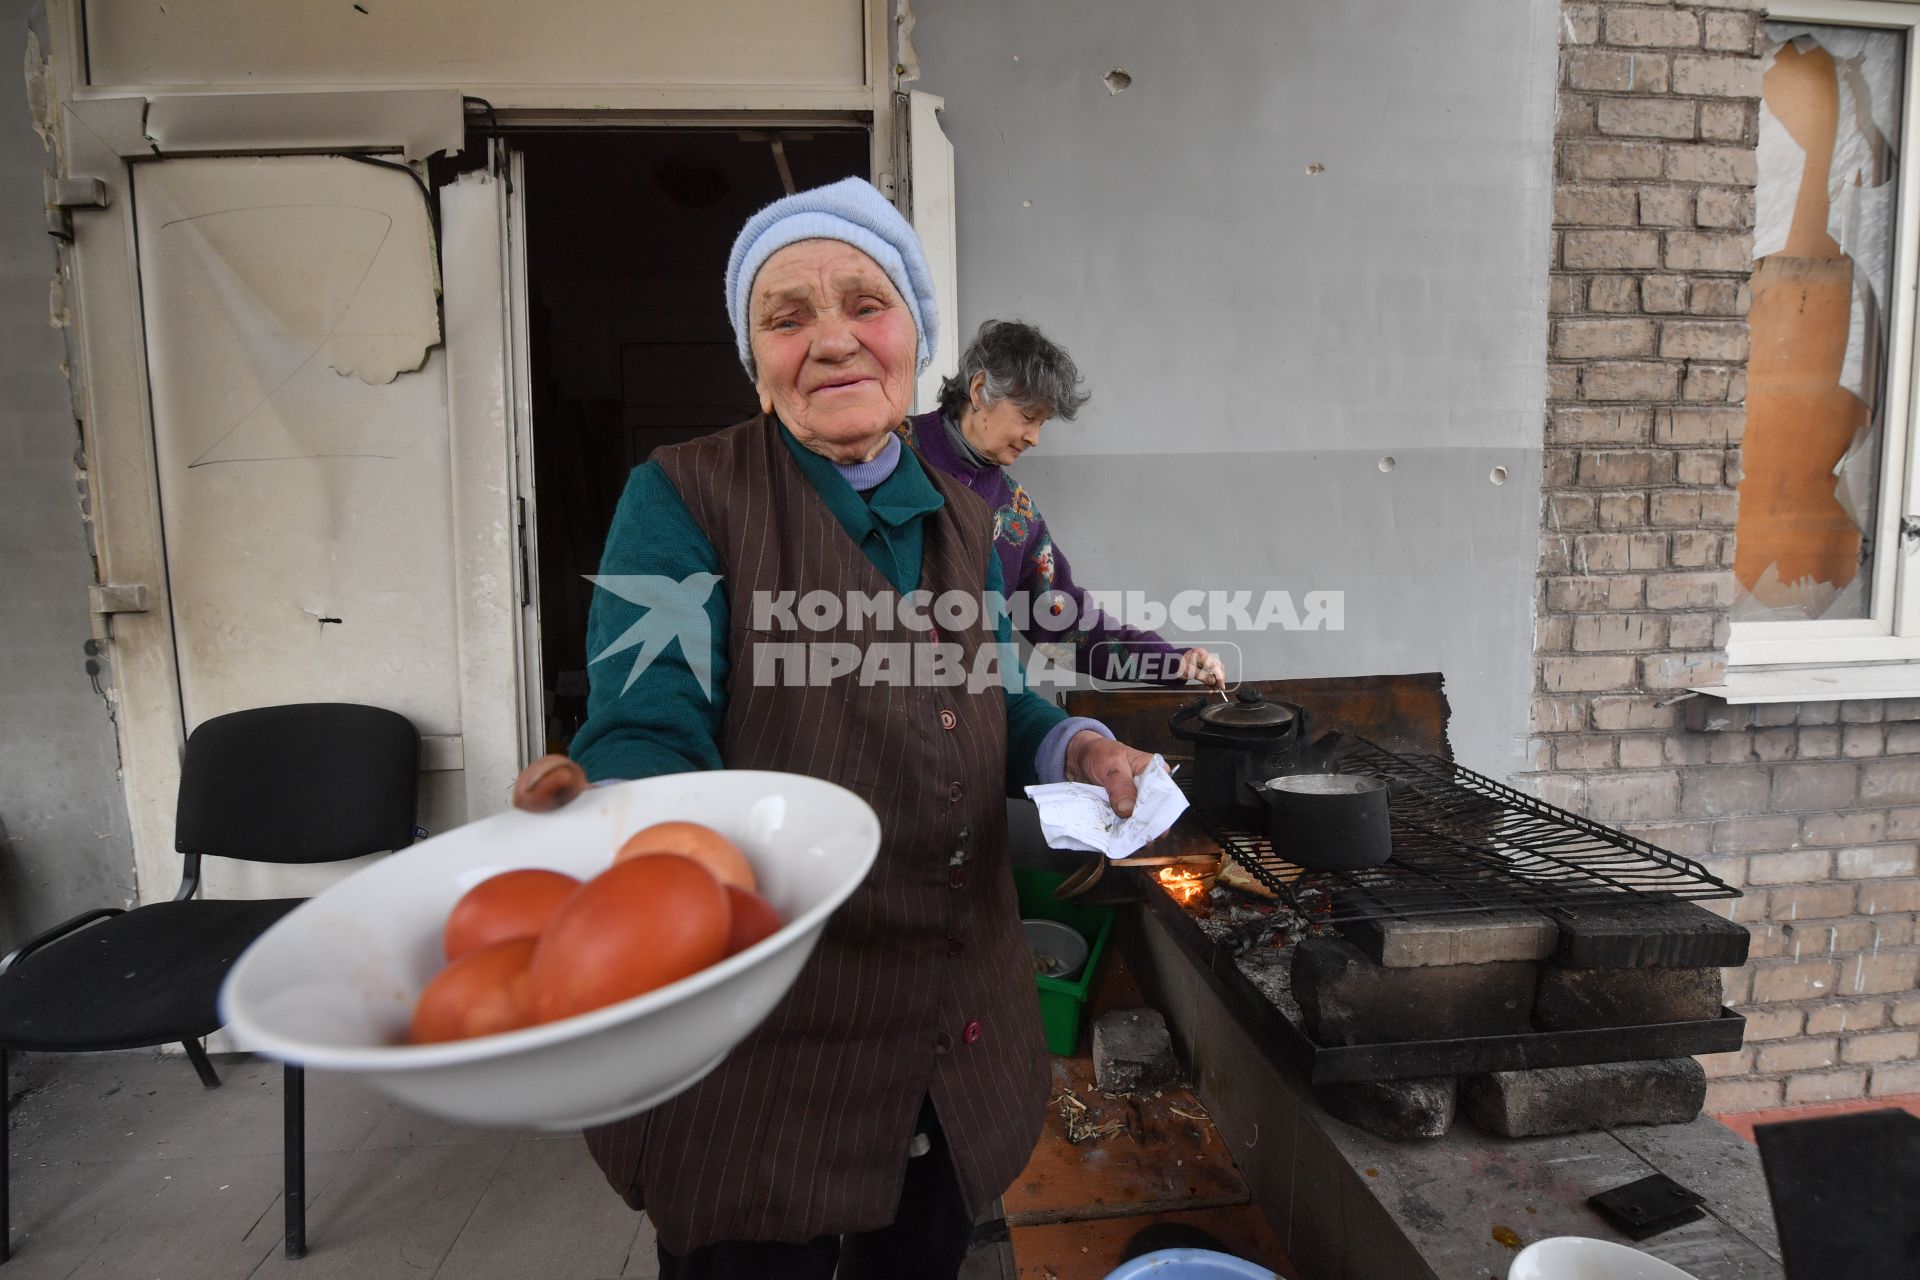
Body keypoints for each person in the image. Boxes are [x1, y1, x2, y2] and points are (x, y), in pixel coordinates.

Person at [521, 177, 1159, 1280]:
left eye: (864, 302)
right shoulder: (681, 498)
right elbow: (646, 713)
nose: (830, 339)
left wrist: (1079, 746)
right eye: (786, 316)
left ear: (915, 336)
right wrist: (629, 811)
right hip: (767, 1042)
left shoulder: (969, 517)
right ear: (754, 359)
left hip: (954, 1026)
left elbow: (992, 693)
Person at [904, 319, 1228, 689]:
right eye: (1028, 417)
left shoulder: (1017, 515)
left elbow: (1066, 628)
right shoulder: (886, 454)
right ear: (979, 390)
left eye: (1043, 423)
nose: (1035, 438)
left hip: (973, 721)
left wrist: (1170, 662)